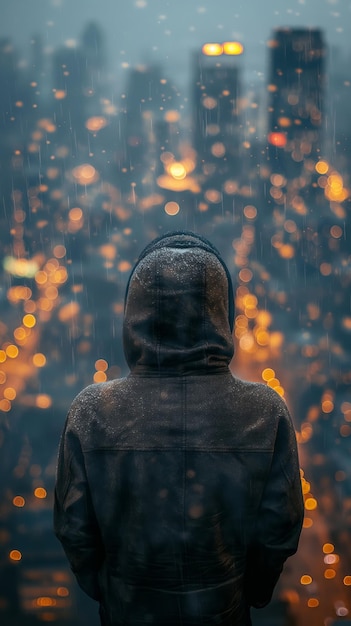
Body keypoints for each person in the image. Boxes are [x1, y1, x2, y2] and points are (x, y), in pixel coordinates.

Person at [54, 230, 304, 626]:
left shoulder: (92, 411)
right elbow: (280, 528)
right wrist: (246, 592)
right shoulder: (264, 410)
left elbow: (74, 531)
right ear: (223, 313)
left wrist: (116, 593)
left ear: (133, 314)